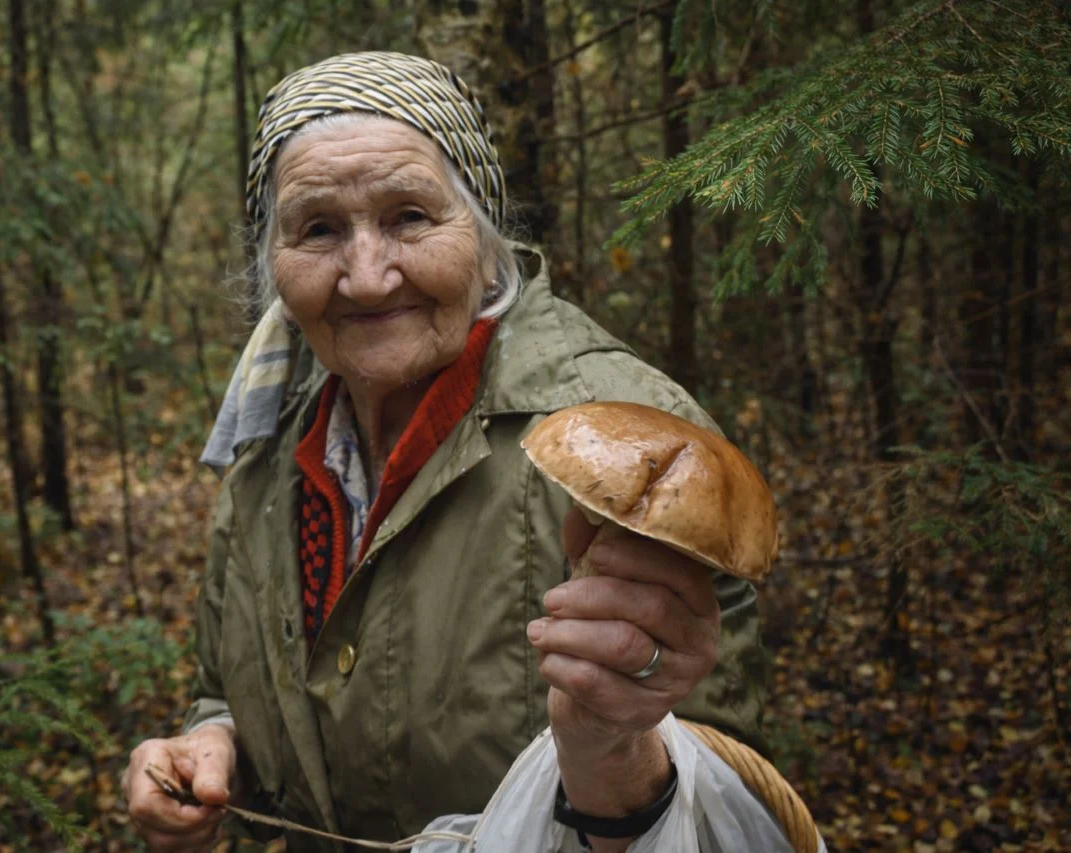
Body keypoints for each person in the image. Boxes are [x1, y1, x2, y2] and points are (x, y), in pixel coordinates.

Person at [122, 52, 768, 853]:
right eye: (318, 228)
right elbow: (225, 688)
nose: (364, 276)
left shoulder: (633, 444)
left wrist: (615, 755)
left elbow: (734, 806)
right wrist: (212, 743)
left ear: (486, 236)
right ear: (274, 265)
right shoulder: (266, 458)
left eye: (409, 217)